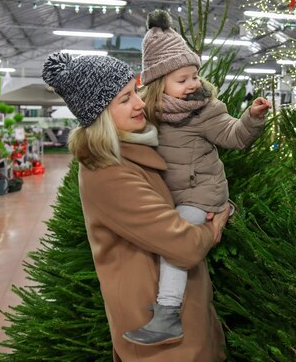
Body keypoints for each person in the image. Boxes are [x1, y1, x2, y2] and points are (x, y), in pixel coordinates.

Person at [41, 52, 228, 362]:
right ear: (99, 114)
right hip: (158, 328)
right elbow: (182, 244)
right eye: (125, 98)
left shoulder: (133, 151)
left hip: (180, 313)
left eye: (136, 91)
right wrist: (213, 227)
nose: (140, 103)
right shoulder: (109, 174)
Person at [121, 9, 271, 346]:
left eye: (194, 76)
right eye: (183, 79)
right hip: (170, 195)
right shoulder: (146, 113)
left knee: (176, 240)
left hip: (201, 195)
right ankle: (166, 303)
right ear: (159, 84)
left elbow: (236, 136)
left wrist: (252, 118)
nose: (193, 84)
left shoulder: (206, 110)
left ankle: (168, 314)